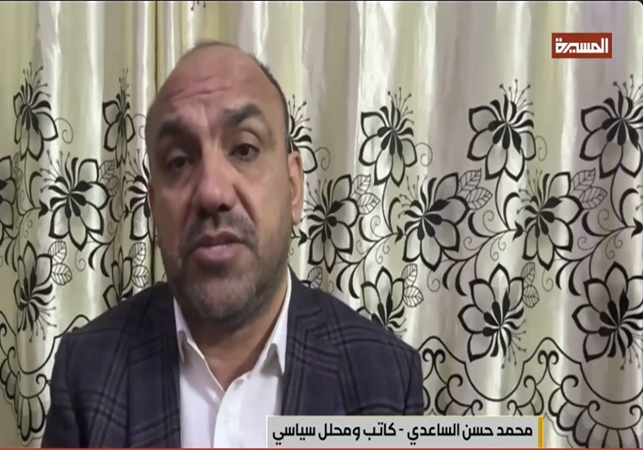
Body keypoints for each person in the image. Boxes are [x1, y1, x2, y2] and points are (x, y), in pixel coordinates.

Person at [41, 41, 424, 449]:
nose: (212, 192)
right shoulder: (87, 373)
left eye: (244, 149)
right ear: (153, 206)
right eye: (178, 161)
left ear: (294, 187)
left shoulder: (384, 381)